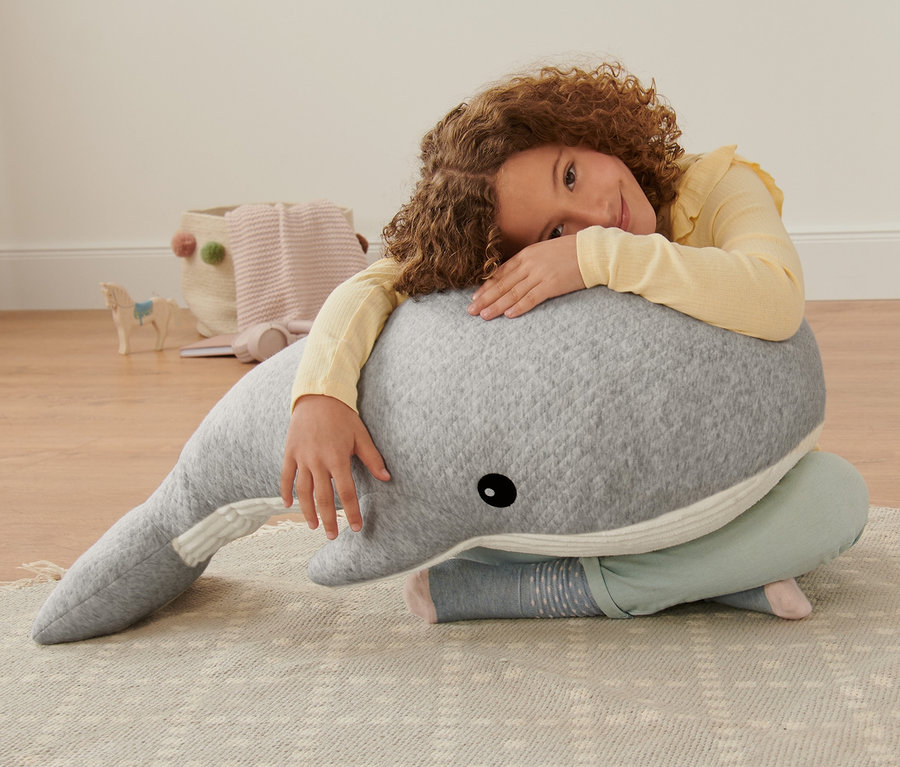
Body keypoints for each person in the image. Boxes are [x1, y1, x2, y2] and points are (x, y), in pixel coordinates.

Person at [280, 63, 868, 624]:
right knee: (468, 509)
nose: (596, 213)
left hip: (720, 483)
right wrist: (318, 395)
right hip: (585, 495)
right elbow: (379, 282)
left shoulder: (715, 187)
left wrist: (594, 256)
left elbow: (777, 296)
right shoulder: (514, 255)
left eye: (570, 175)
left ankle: (566, 588)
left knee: (831, 498)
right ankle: (704, 575)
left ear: (583, 132)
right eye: (556, 231)